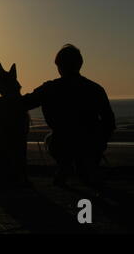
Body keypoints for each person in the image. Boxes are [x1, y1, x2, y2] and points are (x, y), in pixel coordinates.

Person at [22, 44, 116, 187]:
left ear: (59, 66)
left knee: (50, 139)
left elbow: (25, 102)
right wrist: (100, 144)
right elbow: (109, 122)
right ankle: (84, 165)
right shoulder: (95, 88)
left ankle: (66, 165)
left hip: (63, 140)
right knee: (87, 173)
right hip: (90, 140)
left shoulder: (50, 88)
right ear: (79, 64)